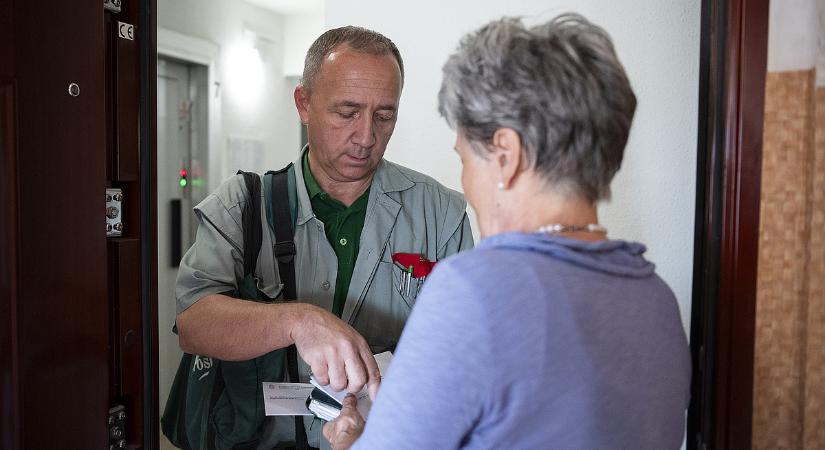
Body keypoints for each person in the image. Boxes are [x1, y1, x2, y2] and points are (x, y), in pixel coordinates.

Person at [322, 14, 691, 450]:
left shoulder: (475, 291)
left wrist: (351, 443)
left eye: (465, 160)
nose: (466, 184)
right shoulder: (656, 299)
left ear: (507, 156)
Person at [174, 26, 473, 448]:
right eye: (347, 112)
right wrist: (299, 321)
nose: (367, 137)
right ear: (304, 103)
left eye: (384, 116)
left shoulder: (441, 213)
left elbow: (464, 355)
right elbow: (194, 324)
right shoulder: (242, 205)